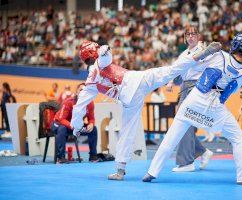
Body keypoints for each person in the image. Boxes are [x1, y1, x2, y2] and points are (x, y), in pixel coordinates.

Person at [70, 40, 222, 180]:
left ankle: (120, 171)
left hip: (129, 97)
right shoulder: (100, 61)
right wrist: (104, 50)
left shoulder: (89, 84)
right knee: (172, 70)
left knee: (126, 131)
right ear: (93, 53)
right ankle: (200, 55)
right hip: (138, 79)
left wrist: (76, 127)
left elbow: (79, 107)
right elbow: (105, 56)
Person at [143, 32, 242, 185]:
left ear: (235, 46)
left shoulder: (219, 55)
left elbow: (193, 63)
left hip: (195, 99)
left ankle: (152, 172)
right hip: (215, 107)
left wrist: (207, 51)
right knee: (238, 140)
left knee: (171, 137)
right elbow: (226, 94)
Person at [166, 26, 213, 172]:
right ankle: (203, 152)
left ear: (198, 36)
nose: (191, 36)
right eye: (188, 34)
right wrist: (170, 81)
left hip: (197, 86)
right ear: (185, 37)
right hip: (184, 87)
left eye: (193, 34)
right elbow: (176, 68)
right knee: (183, 123)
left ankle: (187, 162)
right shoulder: (184, 53)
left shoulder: (204, 50)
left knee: (183, 122)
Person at [51, 83, 98, 164]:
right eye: (81, 90)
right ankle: (60, 158)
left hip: (75, 126)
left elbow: (91, 119)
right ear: (76, 92)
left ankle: (93, 156)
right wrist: (72, 126)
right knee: (62, 129)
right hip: (58, 123)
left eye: (85, 91)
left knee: (93, 129)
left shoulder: (90, 103)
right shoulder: (68, 102)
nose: (83, 92)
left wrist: (91, 124)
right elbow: (61, 119)